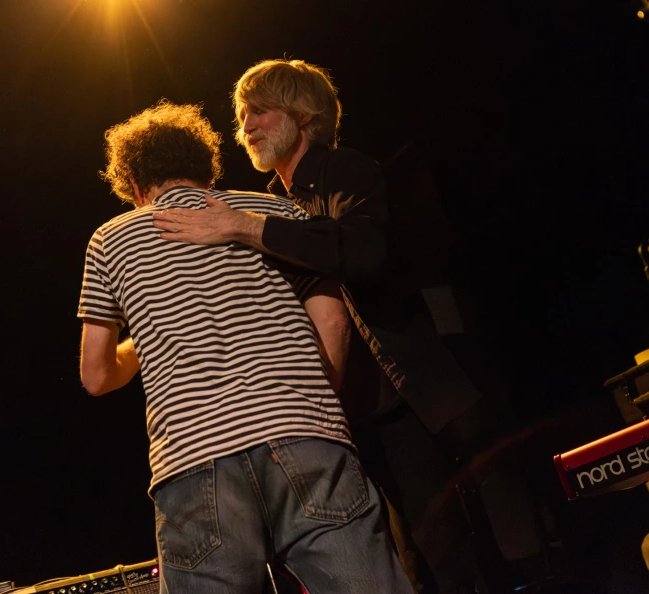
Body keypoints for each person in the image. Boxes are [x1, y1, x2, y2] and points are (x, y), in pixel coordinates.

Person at [152, 59, 494, 592]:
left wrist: (243, 226)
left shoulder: (344, 170)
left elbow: (363, 252)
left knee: (444, 553)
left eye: (259, 111)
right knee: (396, 562)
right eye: (242, 116)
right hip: (330, 419)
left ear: (303, 113)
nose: (246, 126)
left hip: (399, 401)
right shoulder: (272, 204)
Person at [77, 100, 415, 594]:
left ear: (132, 181)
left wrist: (143, 339)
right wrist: (311, 403)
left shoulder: (111, 239)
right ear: (206, 167)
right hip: (305, 432)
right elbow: (334, 322)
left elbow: (95, 376)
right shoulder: (274, 211)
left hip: (192, 458)